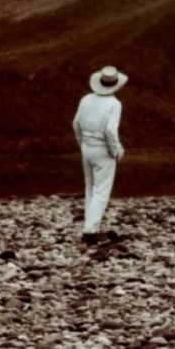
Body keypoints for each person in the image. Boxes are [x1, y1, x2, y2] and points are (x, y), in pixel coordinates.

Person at [73, 65, 128, 244]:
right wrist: (116, 151)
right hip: (102, 149)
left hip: (87, 147)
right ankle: (90, 230)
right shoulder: (114, 104)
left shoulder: (86, 99)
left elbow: (76, 123)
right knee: (101, 191)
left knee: (90, 188)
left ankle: (90, 226)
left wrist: (81, 143)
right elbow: (110, 131)